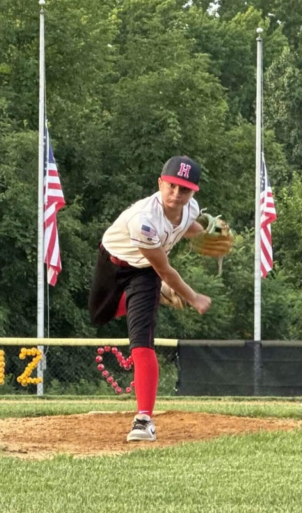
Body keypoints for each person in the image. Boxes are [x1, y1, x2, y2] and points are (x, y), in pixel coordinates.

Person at [88, 155, 212, 442]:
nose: (177, 193)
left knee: (141, 340)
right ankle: (160, 294)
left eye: (185, 189)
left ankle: (144, 419)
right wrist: (193, 297)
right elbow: (165, 270)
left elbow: (186, 226)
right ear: (160, 183)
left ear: (194, 192)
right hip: (114, 262)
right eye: (171, 186)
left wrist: (205, 236)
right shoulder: (143, 220)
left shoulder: (190, 208)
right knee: (99, 315)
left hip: (145, 273)